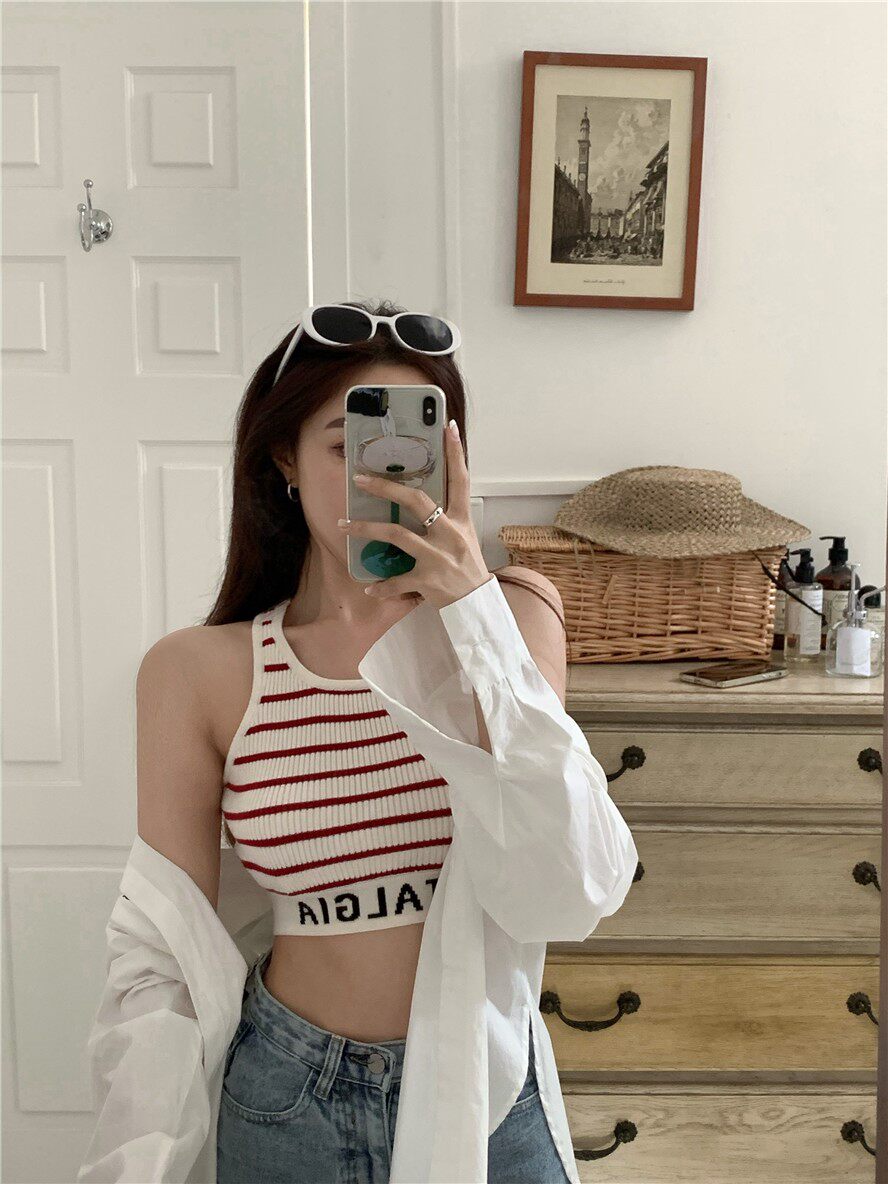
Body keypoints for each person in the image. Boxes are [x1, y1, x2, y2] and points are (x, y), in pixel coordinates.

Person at [92, 297, 637, 1184]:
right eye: (348, 448)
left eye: (410, 452)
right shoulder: (199, 671)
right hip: (286, 1093)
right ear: (284, 458)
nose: (383, 480)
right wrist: (136, 1160)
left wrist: (473, 613)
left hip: (485, 1088)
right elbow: (163, 949)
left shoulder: (514, 617)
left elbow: (569, 886)